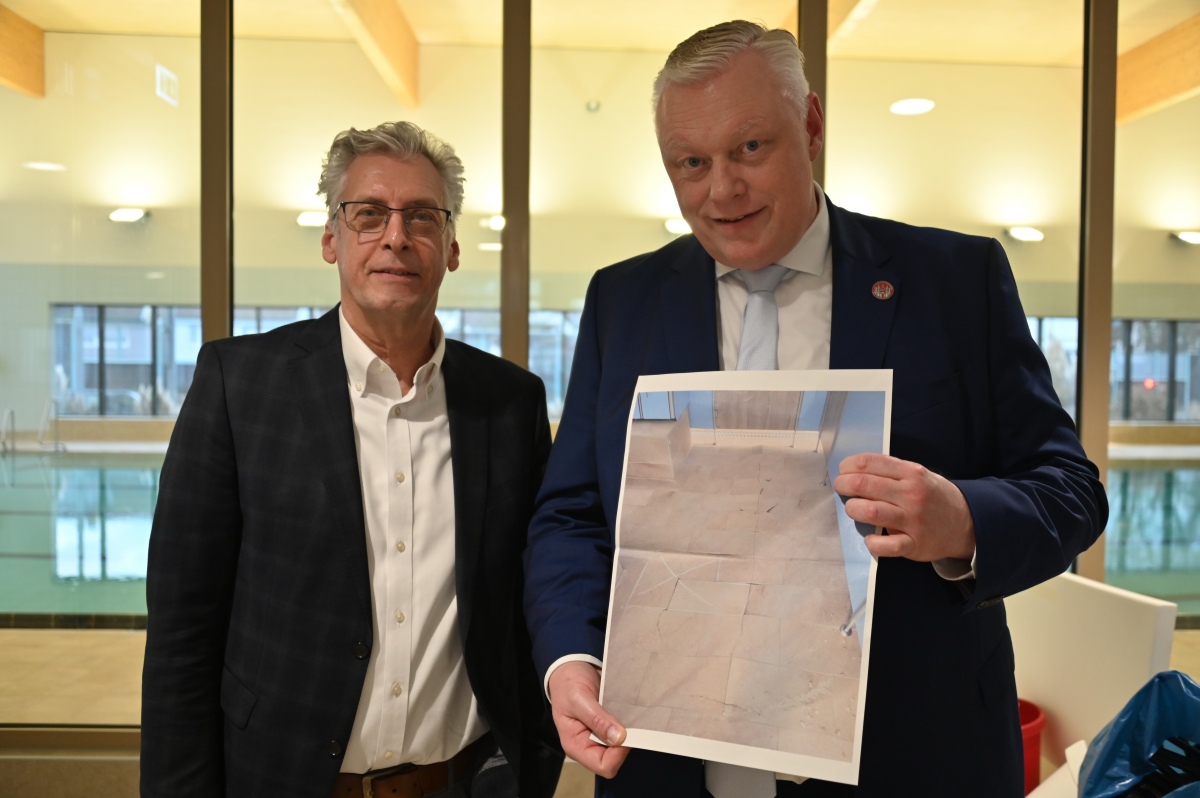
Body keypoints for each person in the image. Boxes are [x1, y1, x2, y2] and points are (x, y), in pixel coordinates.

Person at [522, 20, 1108, 798]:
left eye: (750, 148)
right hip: (668, 760)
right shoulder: (623, 301)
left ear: (811, 126)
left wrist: (962, 519)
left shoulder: (953, 281)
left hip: (912, 756)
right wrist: (571, 657)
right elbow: (573, 515)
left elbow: (1071, 490)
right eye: (691, 163)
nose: (722, 189)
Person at [141, 121, 563, 798]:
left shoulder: (511, 404)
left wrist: (532, 764)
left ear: (452, 247)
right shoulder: (239, 385)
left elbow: (531, 601)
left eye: (422, 216)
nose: (396, 236)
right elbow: (182, 630)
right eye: (369, 214)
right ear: (331, 239)